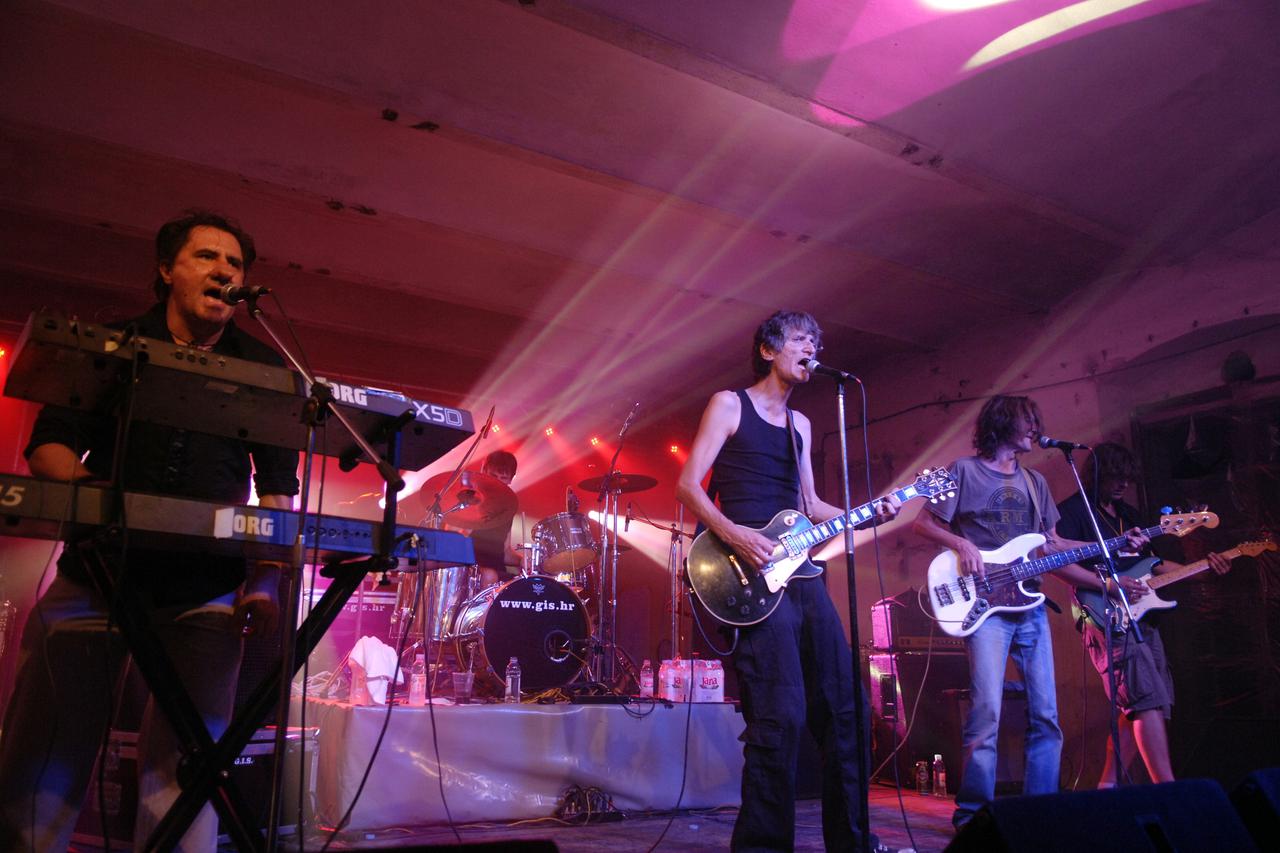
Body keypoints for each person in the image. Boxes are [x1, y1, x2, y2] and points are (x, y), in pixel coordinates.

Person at [0, 210, 300, 851]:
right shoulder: (114, 343)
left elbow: (278, 487)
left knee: (186, 771)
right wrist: (102, 500)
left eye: (235, 263)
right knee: (46, 755)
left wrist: (267, 579)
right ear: (166, 270)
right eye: (206, 257)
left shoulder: (262, 365)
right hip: (97, 574)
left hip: (208, 588)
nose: (224, 270)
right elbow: (50, 446)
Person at [676, 310, 899, 853]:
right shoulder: (729, 404)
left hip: (801, 574)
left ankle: (851, 842)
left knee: (847, 708)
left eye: (816, 342)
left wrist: (866, 513)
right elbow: (688, 486)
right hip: (748, 574)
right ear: (768, 350)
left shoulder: (800, 425)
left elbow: (810, 504)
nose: (811, 349)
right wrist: (736, 534)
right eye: (800, 340)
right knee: (780, 716)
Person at [911, 396, 1144, 830]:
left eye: (1037, 421)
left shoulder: (1035, 482)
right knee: (987, 714)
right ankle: (973, 814)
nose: (1035, 429)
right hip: (984, 606)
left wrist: (1114, 544)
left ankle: (1040, 813)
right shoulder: (964, 472)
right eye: (1028, 421)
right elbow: (922, 523)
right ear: (1003, 423)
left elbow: (1052, 544)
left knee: (1046, 716)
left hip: (1029, 605)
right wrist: (961, 543)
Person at [1053, 442, 1229, 787]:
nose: (1123, 484)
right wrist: (1108, 584)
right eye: (1116, 476)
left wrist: (1203, 569)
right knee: (1144, 700)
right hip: (1107, 617)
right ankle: (1167, 788)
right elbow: (1055, 563)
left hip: (1143, 617)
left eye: (1128, 478)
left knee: (1148, 702)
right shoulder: (1073, 512)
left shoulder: (1129, 516)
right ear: (1097, 474)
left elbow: (1155, 565)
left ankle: (1107, 785)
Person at [471, 449, 522, 588]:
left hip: (497, 570)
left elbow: (505, 552)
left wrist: (524, 561)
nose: (497, 482)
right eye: (493, 476)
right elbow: (452, 543)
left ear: (511, 479)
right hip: (470, 569)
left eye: (503, 478)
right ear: (483, 471)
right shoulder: (469, 499)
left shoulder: (508, 508)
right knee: (490, 575)